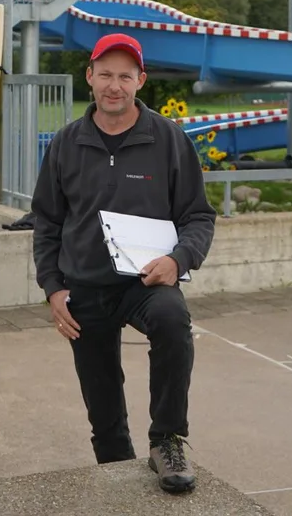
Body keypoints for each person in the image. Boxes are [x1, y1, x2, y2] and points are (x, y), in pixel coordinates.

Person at [30, 32, 217, 493]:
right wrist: (53, 288)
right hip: (84, 287)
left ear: (141, 81)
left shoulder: (169, 140)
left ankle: (167, 441)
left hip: (145, 284)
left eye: (126, 76)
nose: (115, 85)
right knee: (104, 410)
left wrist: (179, 260)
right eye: (107, 75)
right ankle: (118, 480)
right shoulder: (65, 144)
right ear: (90, 77)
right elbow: (47, 223)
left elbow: (198, 216)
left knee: (173, 321)